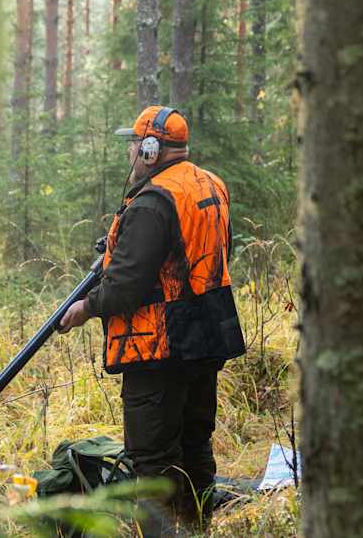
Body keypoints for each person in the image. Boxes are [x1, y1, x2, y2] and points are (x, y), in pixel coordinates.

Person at [58, 105, 246, 533]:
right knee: (195, 444)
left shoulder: (151, 203)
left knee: (153, 460)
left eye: (134, 143)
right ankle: (198, 527)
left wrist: (85, 308)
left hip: (158, 345)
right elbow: (209, 258)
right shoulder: (211, 185)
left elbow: (126, 287)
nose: (130, 152)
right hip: (206, 338)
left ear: (150, 149)